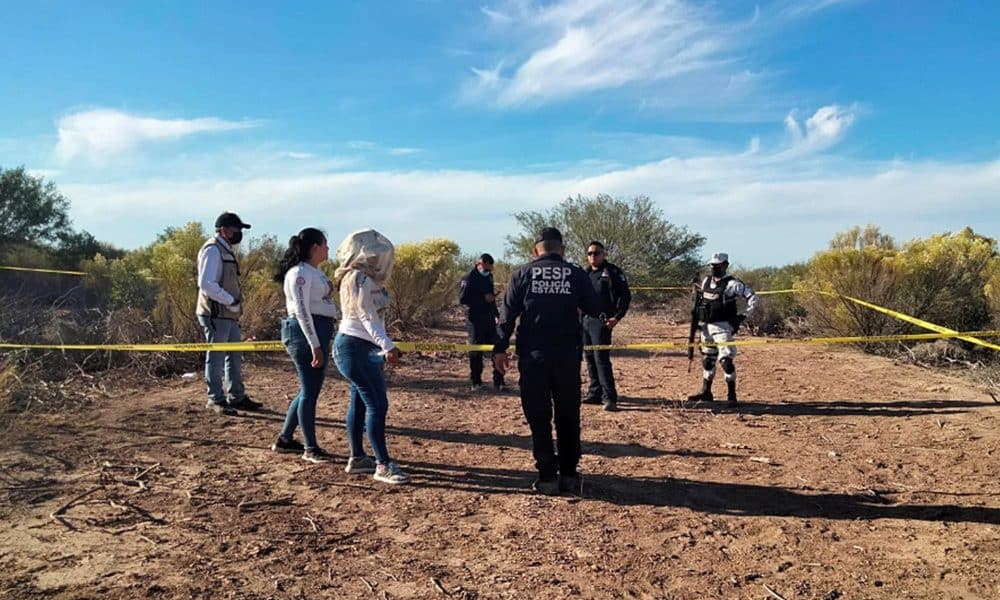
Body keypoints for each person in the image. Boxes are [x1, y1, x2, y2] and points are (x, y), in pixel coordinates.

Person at [493, 227, 603, 495]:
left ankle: (547, 477)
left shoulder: (522, 274)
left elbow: (506, 316)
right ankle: (568, 474)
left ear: (535, 251)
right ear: (562, 250)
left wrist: (499, 349)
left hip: (533, 358)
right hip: (566, 357)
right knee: (568, 414)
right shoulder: (576, 274)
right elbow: (595, 308)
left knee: (538, 416)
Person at [333, 229, 410, 485]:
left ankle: (358, 458)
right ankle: (383, 464)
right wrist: (387, 346)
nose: (378, 260)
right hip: (355, 347)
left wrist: (382, 344)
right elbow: (366, 317)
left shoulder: (362, 279)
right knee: (377, 404)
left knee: (360, 401)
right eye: (374, 256)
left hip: (361, 347)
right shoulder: (357, 278)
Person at [271, 228, 340, 463]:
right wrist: (315, 344)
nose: (328, 249)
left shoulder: (314, 272)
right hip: (304, 333)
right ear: (314, 247)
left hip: (318, 330)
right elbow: (301, 310)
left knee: (308, 389)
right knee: (310, 392)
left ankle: (285, 439)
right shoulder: (299, 273)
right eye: (325, 244)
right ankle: (310, 448)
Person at [195, 212, 262, 415]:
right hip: (216, 313)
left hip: (228, 313)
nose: (239, 233)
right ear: (224, 230)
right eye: (236, 230)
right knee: (216, 357)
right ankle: (215, 398)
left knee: (233, 355)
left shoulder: (224, 250)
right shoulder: (213, 250)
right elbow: (206, 284)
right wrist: (230, 300)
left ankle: (236, 396)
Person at [687, 253, 759, 407]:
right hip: (706, 327)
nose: (713, 268)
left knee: (726, 360)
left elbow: (752, 297)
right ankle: (706, 392)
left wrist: (742, 316)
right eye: (711, 265)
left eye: (717, 265)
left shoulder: (732, 284)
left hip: (723, 327)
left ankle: (731, 395)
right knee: (708, 360)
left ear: (725, 265)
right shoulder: (706, 281)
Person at [582, 241, 631, 411]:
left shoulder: (612, 272)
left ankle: (609, 397)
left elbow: (625, 297)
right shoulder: (585, 273)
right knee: (589, 358)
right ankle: (594, 393)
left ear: (603, 254)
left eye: (596, 253)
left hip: (602, 322)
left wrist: (617, 317)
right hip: (585, 321)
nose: (592, 256)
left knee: (601, 359)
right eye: (590, 253)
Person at [459, 253, 505, 392]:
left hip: (489, 318)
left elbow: (490, 296)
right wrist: (482, 299)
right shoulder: (468, 278)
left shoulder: (489, 277)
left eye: (490, 269)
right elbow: (463, 299)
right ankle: (476, 382)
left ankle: (499, 382)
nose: (488, 271)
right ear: (479, 264)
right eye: (486, 268)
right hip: (475, 319)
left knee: (498, 347)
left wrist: (497, 315)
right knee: (476, 350)